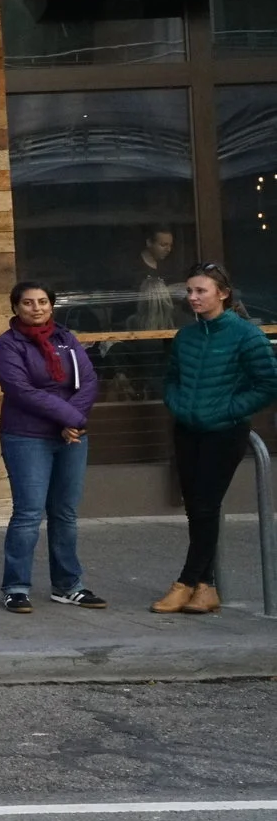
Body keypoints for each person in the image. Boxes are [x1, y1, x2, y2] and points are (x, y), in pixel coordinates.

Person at [155, 262, 277, 615]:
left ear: (222, 294)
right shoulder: (186, 336)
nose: (192, 297)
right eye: (189, 291)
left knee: (206, 506)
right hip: (187, 429)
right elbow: (172, 378)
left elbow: (267, 383)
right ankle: (206, 588)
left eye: (200, 291)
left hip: (224, 431)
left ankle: (186, 582)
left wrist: (229, 409)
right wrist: (177, 404)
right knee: (196, 509)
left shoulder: (245, 335)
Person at [0, 281, 105, 614]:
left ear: (52, 306)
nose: (36, 308)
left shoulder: (66, 339)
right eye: (28, 303)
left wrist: (75, 422)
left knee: (65, 514)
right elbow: (22, 391)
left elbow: (89, 381)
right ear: (16, 308)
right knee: (28, 513)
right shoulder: (6, 346)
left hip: (71, 436)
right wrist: (71, 418)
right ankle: (15, 587)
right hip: (27, 437)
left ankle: (68, 586)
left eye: (42, 302)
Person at [131, 225, 184, 331]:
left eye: (170, 245)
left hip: (169, 322)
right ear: (149, 243)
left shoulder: (170, 266)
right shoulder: (133, 268)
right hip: (142, 324)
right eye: (163, 245)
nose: (168, 249)